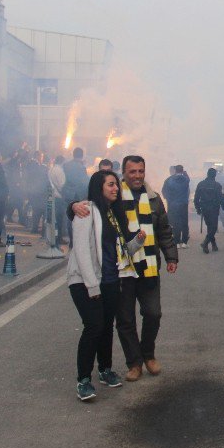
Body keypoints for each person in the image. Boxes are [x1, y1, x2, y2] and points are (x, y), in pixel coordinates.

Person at [70, 155, 178, 381]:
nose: (137, 176)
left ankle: (148, 354)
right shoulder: (115, 200)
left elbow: (164, 231)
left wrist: (171, 256)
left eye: (141, 171)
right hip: (124, 272)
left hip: (148, 268)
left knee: (153, 313)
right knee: (125, 320)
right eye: (132, 172)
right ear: (124, 174)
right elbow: (90, 206)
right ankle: (134, 362)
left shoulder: (155, 199)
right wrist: (72, 206)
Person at [67, 170, 146, 401]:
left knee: (106, 327)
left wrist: (137, 242)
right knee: (93, 326)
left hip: (111, 280)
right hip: (85, 281)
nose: (115, 189)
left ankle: (105, 369)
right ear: (98, 187)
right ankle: (83, 380)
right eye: (110, 185)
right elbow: (81, 251)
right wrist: (92, 286)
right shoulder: (86, 210)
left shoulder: (115, 214)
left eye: (116, 186)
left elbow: (122, 252)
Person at [194, 167, 224, 254]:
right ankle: (205, 243)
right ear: (215, 175)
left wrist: (198, 208)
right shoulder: (217, 185)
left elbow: (196, 198)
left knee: (209, 226)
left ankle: (213, 245)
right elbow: (221, 198)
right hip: (214, 209)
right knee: (213, 227)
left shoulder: (201, 184)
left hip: (204, 208)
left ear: (207, 174)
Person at [161, 165, 190, 248]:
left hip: (173, 205)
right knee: (184, 223)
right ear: (182, 170)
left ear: (175, 170)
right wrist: (185, 173)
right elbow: (188, 179)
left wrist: (169, 200)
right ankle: (184, 242)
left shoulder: (169, 180)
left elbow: (164, 191)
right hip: (183, 204)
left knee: (176, 223)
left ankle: (176, 242)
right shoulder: (185, 180)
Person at [49, 155, 68, 244]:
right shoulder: (59, 171)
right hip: (59, 197)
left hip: (53, 196)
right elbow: (62, 185)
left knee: (54, 219)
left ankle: (53, 237)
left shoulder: (51, 169)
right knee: (60, 219)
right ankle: (59, 238)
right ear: (62, 162)